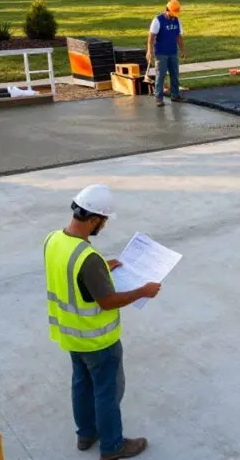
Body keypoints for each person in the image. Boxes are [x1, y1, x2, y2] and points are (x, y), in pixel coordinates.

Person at [44, 184, 161, 460]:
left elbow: (70, 274)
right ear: (94, 219)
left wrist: (102, 269)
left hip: (71, 336)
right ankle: (112, 446)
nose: (104, 226)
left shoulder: (53, 240)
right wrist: (143, 291)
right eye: (104, 221)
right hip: (98, 340)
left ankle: (86, 435)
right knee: (107, 393)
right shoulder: (88, 258)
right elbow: (107, 301)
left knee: (81, 385)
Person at [146, 0, 186, 106]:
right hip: (161, 53)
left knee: (175, 74)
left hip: (173, 52)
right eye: (172, 13)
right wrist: (149, 51)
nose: (174, 16)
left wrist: (182, 50)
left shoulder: (177, 20)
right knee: (161, 75)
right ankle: (158, 97)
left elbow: (179, 36)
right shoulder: (158, 20)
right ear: (167, 9)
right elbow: (151, 37)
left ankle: (175, 95)